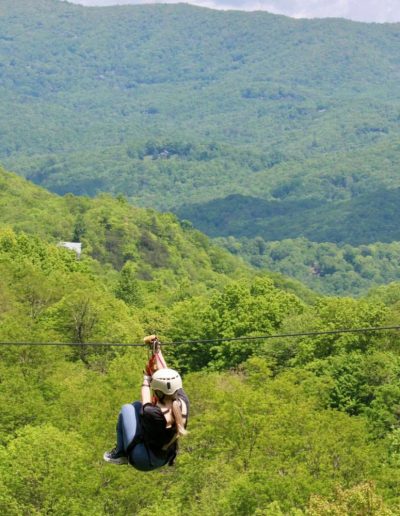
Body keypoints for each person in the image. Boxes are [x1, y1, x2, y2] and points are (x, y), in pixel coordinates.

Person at [103, 335, 189, 471]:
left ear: (158, 392)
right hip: (165, 456)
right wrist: (157, 351)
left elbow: (146, 397)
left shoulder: (153, 413)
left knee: (127, 409)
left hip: (145, 459)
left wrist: (146, 378)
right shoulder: (182, 401)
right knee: (136, 406)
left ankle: (120, 454)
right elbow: (166, 375)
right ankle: (123, 452)